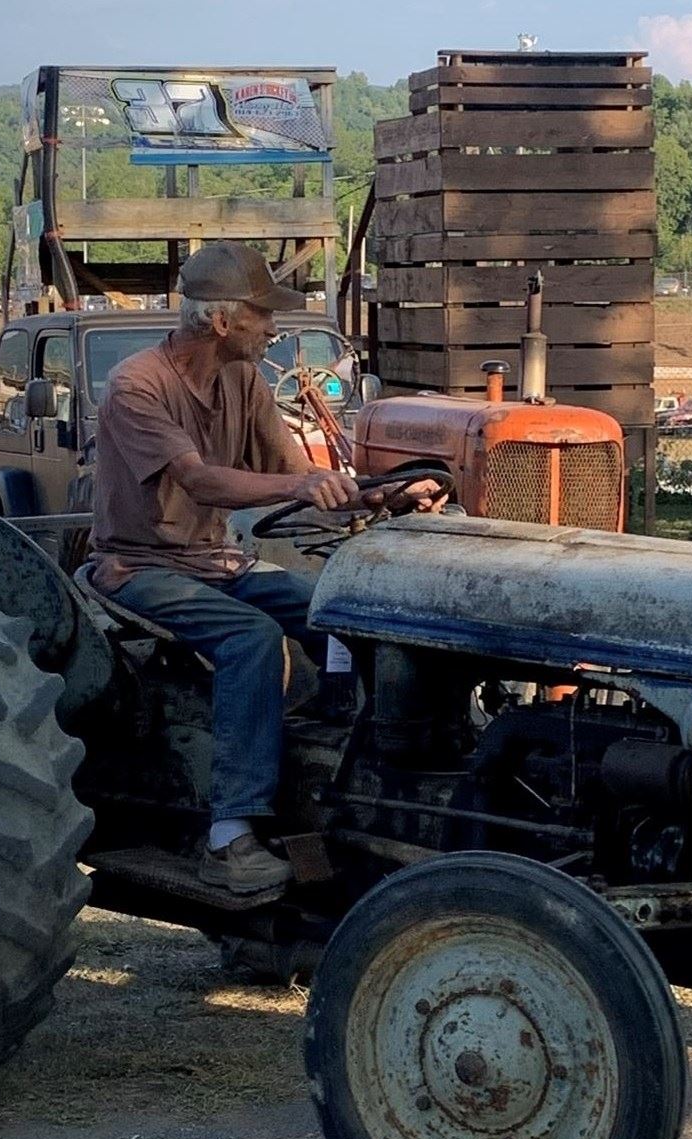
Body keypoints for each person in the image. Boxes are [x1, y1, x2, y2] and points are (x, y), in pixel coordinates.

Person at [88, 241, 433, 894]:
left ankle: (348, 768)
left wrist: (378, 493)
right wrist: (297, 492)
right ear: (221, 322)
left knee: (338, 608)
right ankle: (230, 836)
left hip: (217, 562)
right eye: (262, 315)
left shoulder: (242, 380)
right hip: (140, 567)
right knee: (249, 637)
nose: (274, 328)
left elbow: (296, 474)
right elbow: (201, 483)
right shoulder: (139, 385)